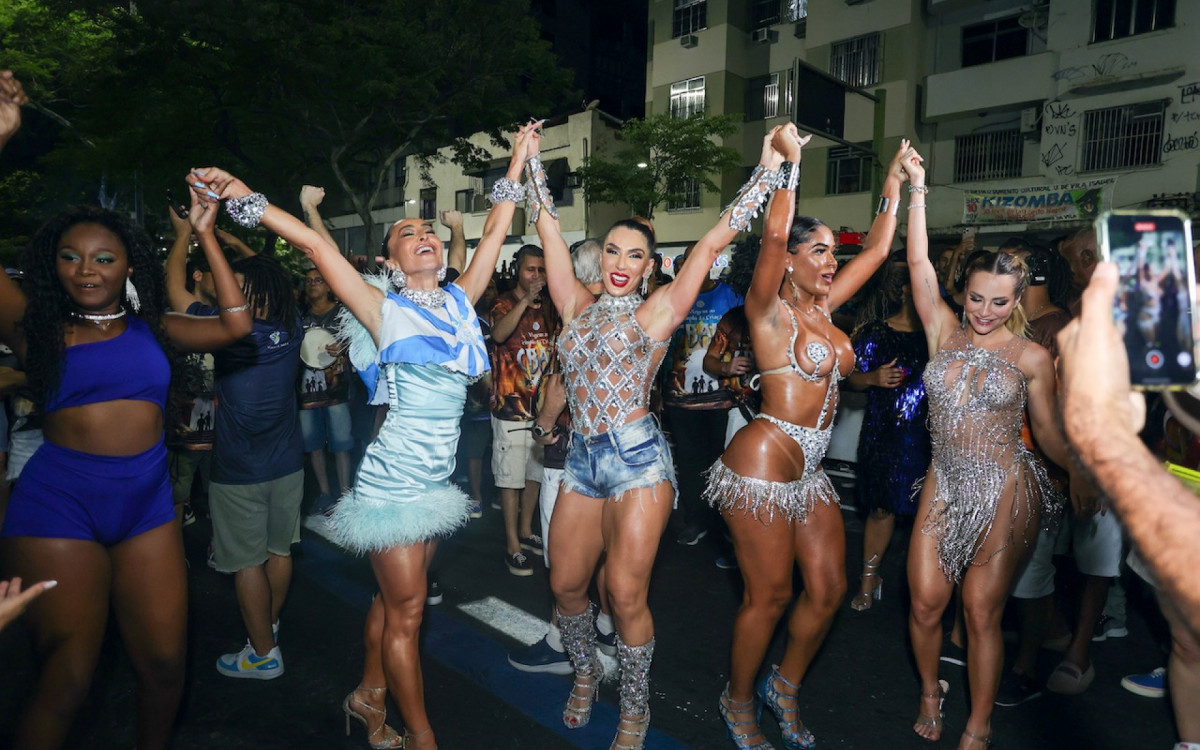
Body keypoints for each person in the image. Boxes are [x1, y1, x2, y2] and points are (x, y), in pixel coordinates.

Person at [187, 124, 529, 750]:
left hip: (434, 483)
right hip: (393, 486)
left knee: (392, 602)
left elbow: (498, 228)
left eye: (428, 231)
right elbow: (313, 247)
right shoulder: (382, 308)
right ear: (390, 261)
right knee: (408, 613)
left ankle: (368, 694)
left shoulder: (461, 301)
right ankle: (422, 736)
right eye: (407, 233)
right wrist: (240, 193)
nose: (423, 235)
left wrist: (518, 161)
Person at [530, 123, 783, 750]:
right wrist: (529, 161)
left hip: (638, 462)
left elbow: (717, 236)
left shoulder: (660, 309)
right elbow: (547, 229)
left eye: (634, 256)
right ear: (601, 258)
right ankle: (585, 671)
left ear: (650, 266)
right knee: (565, 585)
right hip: (580, 460)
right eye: (612, 252)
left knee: (623, 592)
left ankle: (635, 708)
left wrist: (769, 167)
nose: (620, 264)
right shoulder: (574, 305)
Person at [0, 137, 251, 750]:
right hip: (58, 509)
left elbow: (236, 323)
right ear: (54, 266)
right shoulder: (37, 329)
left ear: (129, 266)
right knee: (67, 679)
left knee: (165, 666)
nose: (86, 270)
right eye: (71, 257)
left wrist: (203, 233)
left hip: (146, 507)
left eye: (104, 258)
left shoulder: (156, 329)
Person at [703, 130, 905, 750]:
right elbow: (770, 236)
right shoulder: (768, 311)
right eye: (817, 251)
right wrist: (792, 166)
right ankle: (737, 699)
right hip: (763, 461)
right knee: (769, 597)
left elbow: (877, 250)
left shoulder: (825, 309)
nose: (830, 262)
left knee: (829, 589)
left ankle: (783, 686)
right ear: (789, 260)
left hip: (810, 469)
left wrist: (896, 183)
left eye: (831, 252)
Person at [900, 147, 1083, 750]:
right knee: (926, 604)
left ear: (1018, 298)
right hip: (944, 480)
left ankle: (978, 725)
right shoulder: (941, 330)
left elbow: (1049, 433)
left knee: (981, 611)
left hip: (1005, 485)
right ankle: (930, 692)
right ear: (965, 293)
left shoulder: (1032, 357)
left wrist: (1081, 472)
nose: (985, 311)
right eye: (977, 298)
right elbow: (919, 261)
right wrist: (917, 187)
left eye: (1000, 301)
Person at [844, 256, 930, 612]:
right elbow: (848, 377)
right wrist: (871, 378)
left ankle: (926, 592)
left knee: (929, 517)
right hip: (884, 438)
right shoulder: (875, 332)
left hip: (929, 439)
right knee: (881, 510)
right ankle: (869, 580)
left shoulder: (940, 336)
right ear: (906, 290)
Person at [661, 242, 743, 547]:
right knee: (689, 463)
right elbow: (662, 347)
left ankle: (723, 524)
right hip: (681, 399)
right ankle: (696, 520)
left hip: (722, 398)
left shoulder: (730, 295)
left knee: (723, 462)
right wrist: (658, 390)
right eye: (687, 260)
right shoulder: (673, 297)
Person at [488, 243, 556, 575]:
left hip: (541, 411)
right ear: (518, 271)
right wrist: (526, 300)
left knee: (534, 476)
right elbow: (500, 334)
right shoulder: (503, 302)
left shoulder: (550, 307)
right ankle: (512, 544)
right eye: (531, 269)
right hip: (510, 409)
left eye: (542, 270)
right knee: (510, 478)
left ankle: (527, 530)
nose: (537, 276)